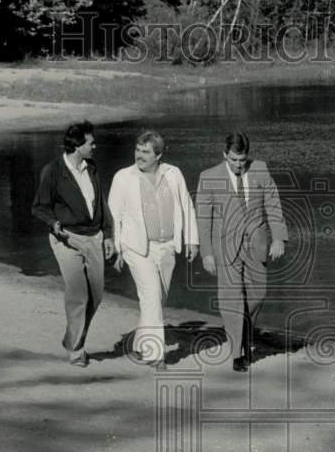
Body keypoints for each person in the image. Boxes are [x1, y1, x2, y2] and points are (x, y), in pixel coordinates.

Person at [196, 131, 286, 372]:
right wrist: (206, 253)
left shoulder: (260, 169)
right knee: (231, 298)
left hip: (256, 244)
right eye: (233, 160)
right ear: (225, 155)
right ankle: (237, 353)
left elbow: (273, 203)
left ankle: (245, 332)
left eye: (242, 160)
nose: (238, 165)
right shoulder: (208, 177)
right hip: (225, 247)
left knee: (258, 295)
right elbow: (203, 219)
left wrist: (278, 238)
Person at [108, 130, 199, 370]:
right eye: (137, 150)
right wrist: (117, 250)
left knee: (157, 299)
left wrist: (192, 240)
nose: (139, 156)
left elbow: (186, 206)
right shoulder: (123, 178)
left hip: (168, 245)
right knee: (151, 296)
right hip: (137, 247)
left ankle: (140, 343)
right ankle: (155, 355)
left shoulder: (173, 174)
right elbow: (114, 216)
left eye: (145, 152)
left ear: (158, 154)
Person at [32, 120, 114, 367]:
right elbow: (39, 206)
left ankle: (72, 339)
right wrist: (54, 223)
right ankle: (77, 350)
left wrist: (108, 233)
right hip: (66, 238)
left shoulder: (92, 168)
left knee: (96, 296)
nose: (95, 146)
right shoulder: (53, 170)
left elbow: (101, 204)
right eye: (91, 143)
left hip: (95, 237)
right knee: (79, 293)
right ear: (78, 145)